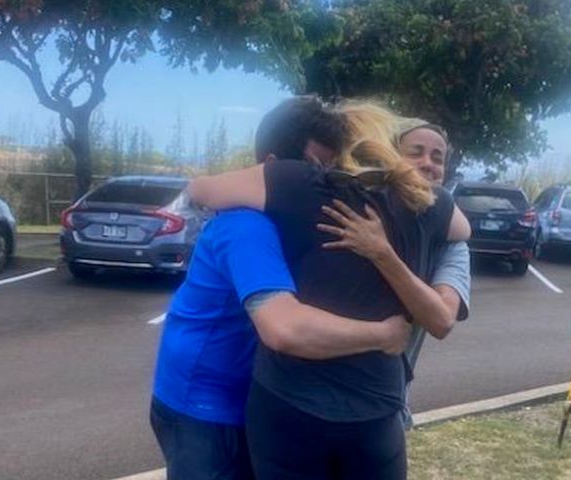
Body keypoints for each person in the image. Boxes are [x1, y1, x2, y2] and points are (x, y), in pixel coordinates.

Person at [187, 100, 470, 479]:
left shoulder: (302, 183)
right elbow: (462, 232)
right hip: (376, 407)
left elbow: (202, 190)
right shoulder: (432, 205)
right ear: (392, 146)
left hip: (288, 402)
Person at [149, 96, 412, 480]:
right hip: (204, 407)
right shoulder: (247, 226)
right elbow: (285, 329)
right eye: (317, 172)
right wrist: (384, 334)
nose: (330, 186)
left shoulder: (290, 221)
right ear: (274, 169)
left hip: (247, 396)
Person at [316, 111, 471, 427]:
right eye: (415, 153)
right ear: (389, 157)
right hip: (312, 400)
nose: (428, 163)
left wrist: (381, 252)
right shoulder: (353, 212)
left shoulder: (453, 243)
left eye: (437, 157)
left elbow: (441, 320)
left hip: (386, 404)